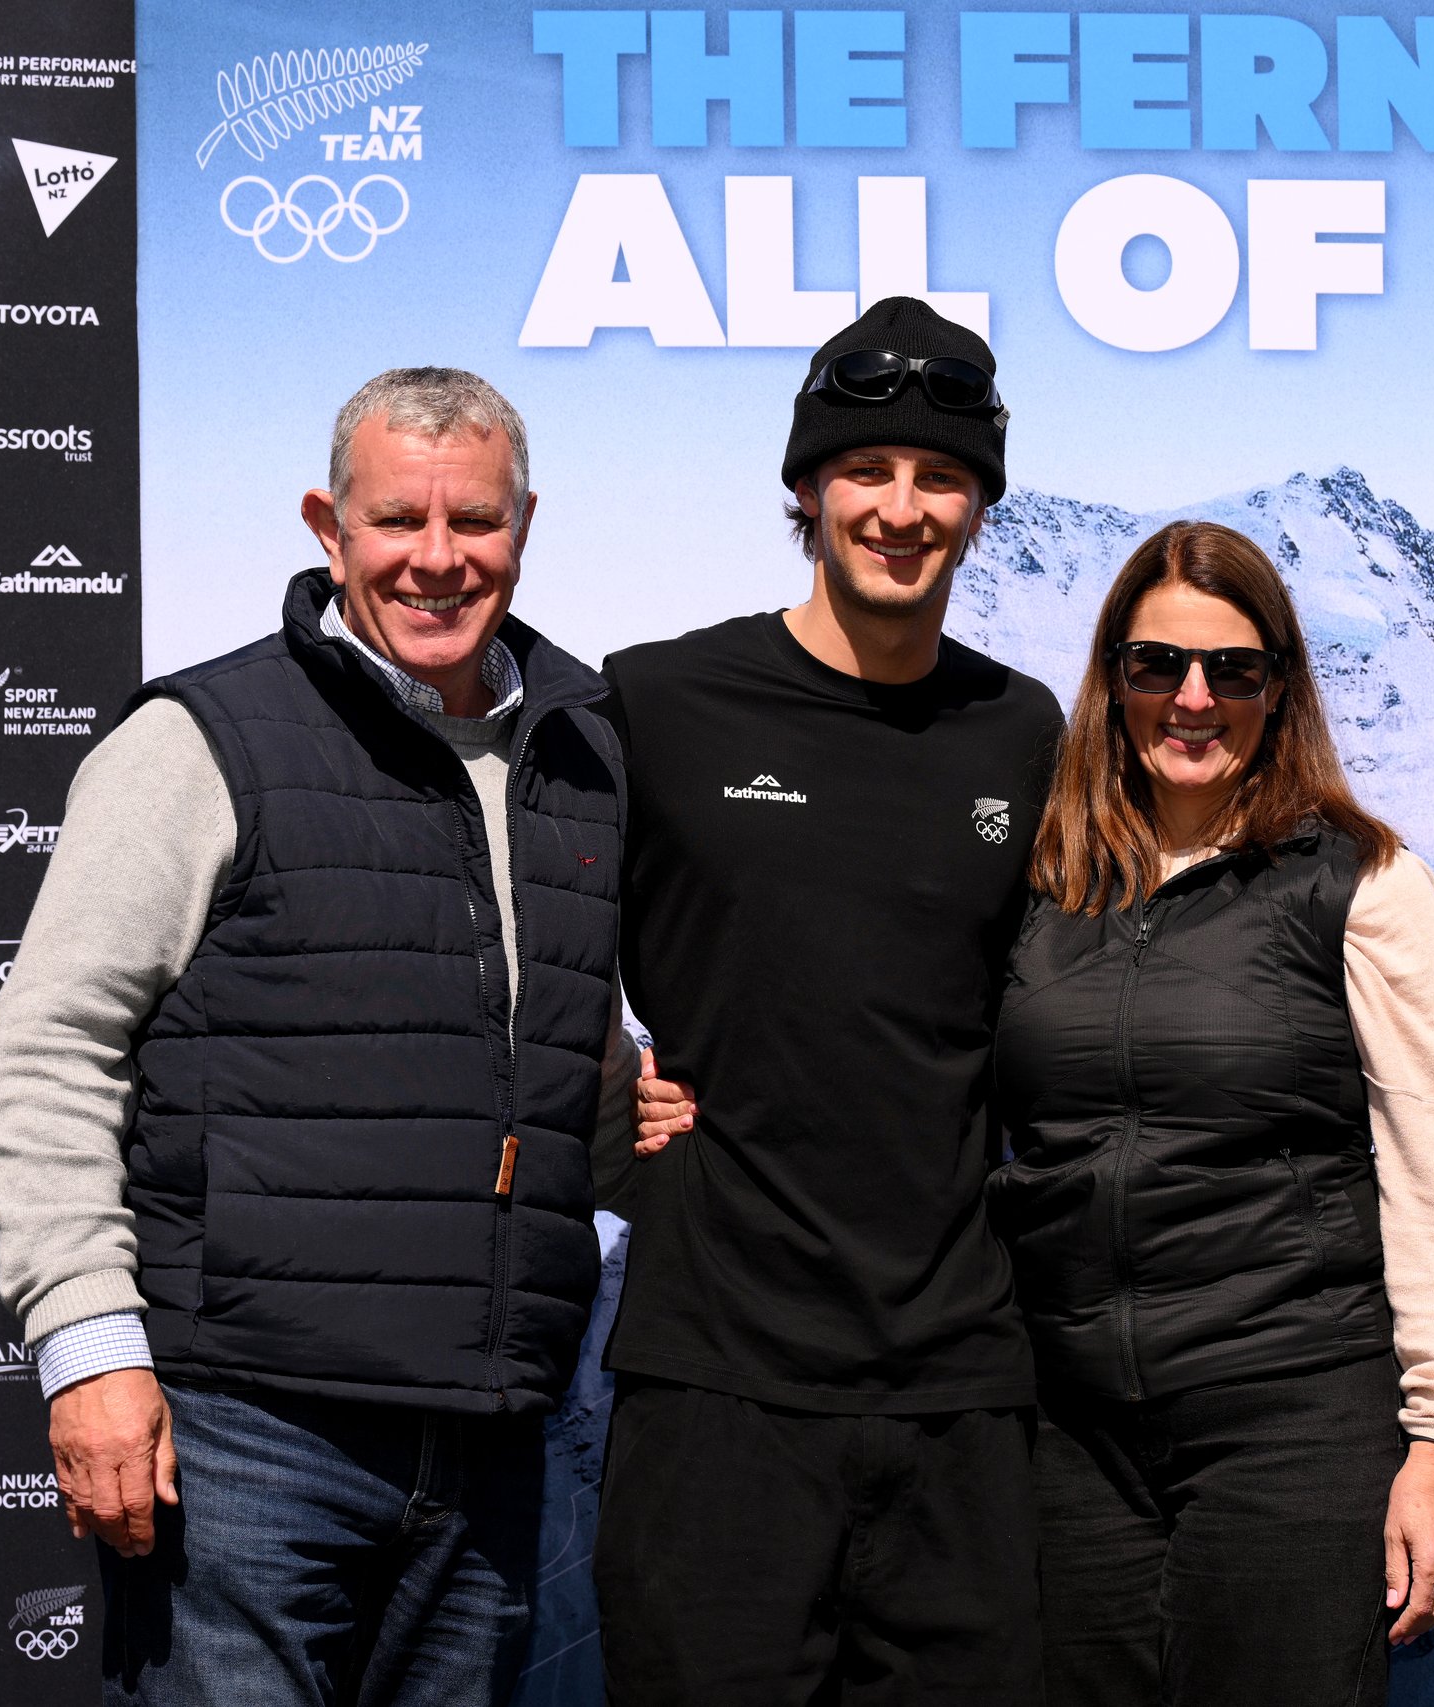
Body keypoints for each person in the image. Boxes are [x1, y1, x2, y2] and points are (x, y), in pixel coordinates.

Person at [0, 367, 632, 1706]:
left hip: (492, 1451)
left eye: (475, 520)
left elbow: (534, 1050)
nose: (438, 558)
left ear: (524, 525)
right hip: (246, 1440)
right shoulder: (200, 741)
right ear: (329, 528)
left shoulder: (584, 754)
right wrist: (89, 1351)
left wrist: (636, 1106)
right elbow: (50, 1050)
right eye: (397, 520)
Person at [594, 297, 1064, 1704]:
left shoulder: (1022, 729)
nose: (900, 508)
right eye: (867, 469)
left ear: (979, 506)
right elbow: (509, 931)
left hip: (960, 1388)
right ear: (806, 487)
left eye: (940, 476)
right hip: (719, 1380)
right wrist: (603, 1106)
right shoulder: (660, 701)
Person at [985, 520, 1434, 1705]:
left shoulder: (1364, 883)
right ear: (1113, 679)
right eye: (1157, 664)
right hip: (1069, 1436)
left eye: (1233, 669)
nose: (1193, 698)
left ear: (1280, 688)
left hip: (1291, 1427)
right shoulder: (1044, 885)